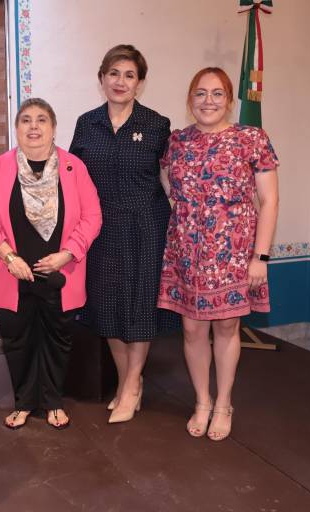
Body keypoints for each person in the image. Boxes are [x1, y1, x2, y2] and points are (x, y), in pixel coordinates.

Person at [158, 67, 280, 441]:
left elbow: (269, 200)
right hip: (186, 252)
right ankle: (202, 401)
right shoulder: (176, 142)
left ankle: (224, 403)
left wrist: (260, 257)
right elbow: (168, 189)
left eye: (216, 93)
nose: (208, 101)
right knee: (192, 329)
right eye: (200, 93)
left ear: (228, 100)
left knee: (227, 327)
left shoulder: (251, 139)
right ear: (189, 99)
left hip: (234, 253)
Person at [0, 98, 102, 429]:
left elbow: (92, 216)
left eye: (42, 119)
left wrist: (67, 254)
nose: (34, 126)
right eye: (26, 120)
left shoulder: (74, 166)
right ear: (17, 128)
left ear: (53, 128)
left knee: (57, 338)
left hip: (60, 271)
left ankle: (53, 400)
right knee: (17, 338)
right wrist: (8, 256)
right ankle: (24, 402)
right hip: (12, 271)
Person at [69, 44, 179, 424]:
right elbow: (73, 179)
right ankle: (127, 381)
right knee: (108, 308)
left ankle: (131, 386)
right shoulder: (86, 124)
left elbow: (171, 181)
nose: (120, 81)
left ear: (140, 83)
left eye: (129, 75)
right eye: (114, 73)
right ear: (101, 78)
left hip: (147, 227)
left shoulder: (157, 125)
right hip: (102, 230)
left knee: (140, 307)